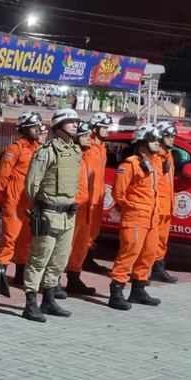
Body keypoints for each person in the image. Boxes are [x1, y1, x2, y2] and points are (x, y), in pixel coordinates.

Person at [20, 109, 83, 322]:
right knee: (39, 258)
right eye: (70, 122)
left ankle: (48, 300)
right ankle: (30, 304)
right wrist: (39, 206)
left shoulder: (75, 150)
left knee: (59, 260)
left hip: (67, 214)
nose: (75, 125)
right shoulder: (46, 150)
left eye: (76, 121)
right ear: (58, 126)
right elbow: (31, 184)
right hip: (48, 212)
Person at [109, 124, 165, 310]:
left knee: (148, 254)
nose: (158, 143)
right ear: (142, 142)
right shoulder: (130, 164)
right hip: (136, 217)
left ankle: (138, 290)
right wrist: (132, 207)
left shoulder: (154, 163)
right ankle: (116, 292)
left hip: (151, 217)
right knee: (128, 253)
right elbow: (118, 193)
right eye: (153, 140)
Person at [0, 111, 42, 292]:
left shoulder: (38, 150)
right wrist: (3, 201)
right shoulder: (14, 150)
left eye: (38, 126)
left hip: (29, 203)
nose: (37, 130)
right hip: (14, 202)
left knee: (26, 241)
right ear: (24, 129)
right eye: (34, 127)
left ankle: (20, 275)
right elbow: (2, 178)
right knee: (9, 239)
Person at [64, 112, 112, 294]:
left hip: (93, 202)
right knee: (67, 244)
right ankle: (51, 282)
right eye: (104, 127)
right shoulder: (85, 149)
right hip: (79, 203)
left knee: (83, 244)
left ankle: (74, 278)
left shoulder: (101, 148)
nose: (107, 131)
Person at [150, 122, 179, 284]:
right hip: (156, 206)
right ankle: (138, 272)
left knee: (162, 241)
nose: (173, 139)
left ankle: (157, 268)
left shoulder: (168, 156)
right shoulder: (154, 157)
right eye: (170, 136)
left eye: (174, 136)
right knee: (149, 241)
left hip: (166, 206)